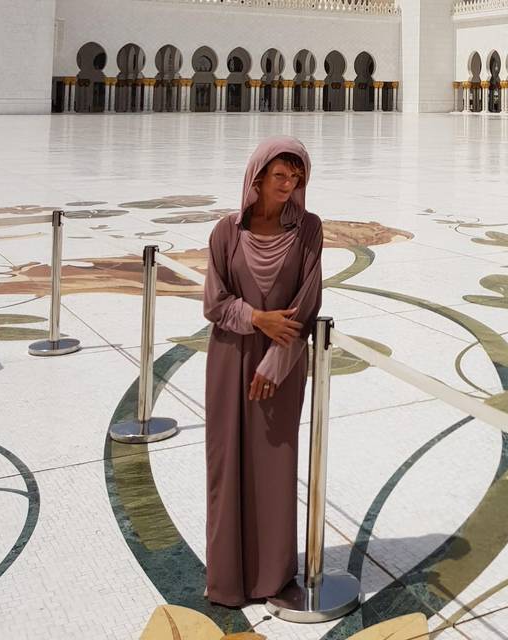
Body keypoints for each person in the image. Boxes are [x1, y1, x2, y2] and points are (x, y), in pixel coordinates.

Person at [202, 136, 323, 607]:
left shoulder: (309, 229)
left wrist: (276, 360)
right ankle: (228, 579)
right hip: (230, 360)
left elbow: (308, 302)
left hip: (283, 364)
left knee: (274, 466)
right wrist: (256, 319)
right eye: (280, 176)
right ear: (257, 177)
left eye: (296, 178)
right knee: (227, 465)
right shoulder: (226, 233)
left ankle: (272, 576)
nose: (289, 185)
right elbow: (214, 302)